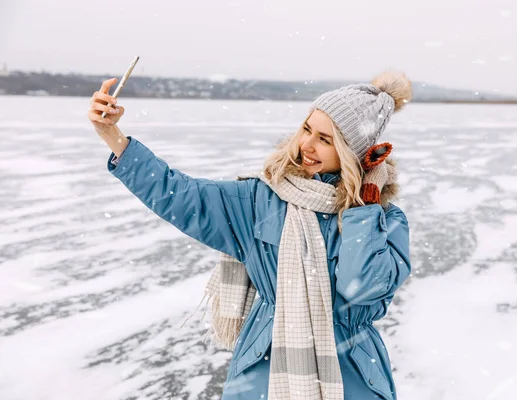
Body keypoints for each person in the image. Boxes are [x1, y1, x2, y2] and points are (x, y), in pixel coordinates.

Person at [87, 71, 412, 400]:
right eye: (306, 130)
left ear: (354, 152)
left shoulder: (384, 220)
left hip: (352, 376)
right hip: (265, 370)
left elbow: (363, 287)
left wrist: (363, 207)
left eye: (326, 140)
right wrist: (112, 136)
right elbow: (178, 193)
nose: (307, 146)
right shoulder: (260, 201)